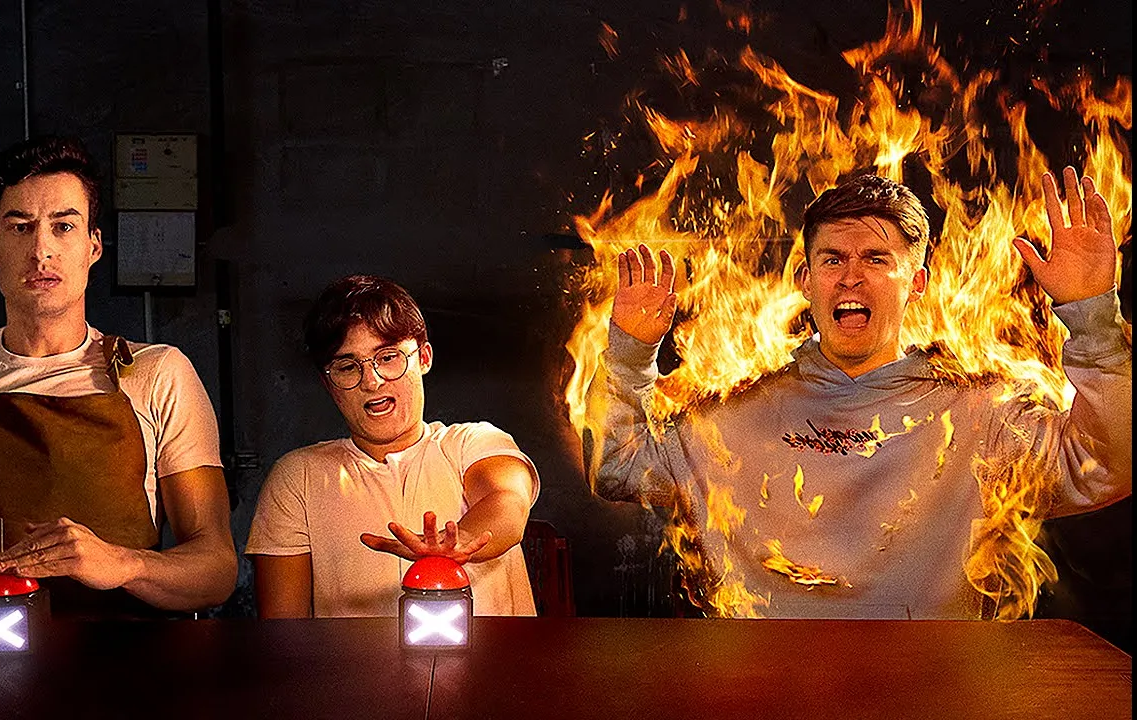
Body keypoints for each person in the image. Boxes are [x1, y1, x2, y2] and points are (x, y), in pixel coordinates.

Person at [591, 169, 1131, 619]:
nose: (851, 277)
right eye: (833, 259)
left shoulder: (981, 412)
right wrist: (629, 356)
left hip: (934, 688)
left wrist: (1093, 318)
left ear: (916, 283)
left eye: (876, 259)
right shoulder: (735, 410)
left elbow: (1107, 466)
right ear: (806, 280)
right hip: (763, 685)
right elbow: (618, 466)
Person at [0, 135, 237, 622]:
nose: (41, 250)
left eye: (63, 226)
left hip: (121, 660)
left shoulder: (157, 374)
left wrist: (124, 564)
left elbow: (215, 570)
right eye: (20, 227)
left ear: (93, 246)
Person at [247, 275, 539, 617]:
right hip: (349, 656)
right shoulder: (298, 477)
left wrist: (459, 541)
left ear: (424, 357)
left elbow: (507, 503)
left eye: (387, 357)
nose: (372, 381)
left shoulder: (475, 443)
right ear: (328, 383)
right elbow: (282, 632)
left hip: (496, 654)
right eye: (347, 366)